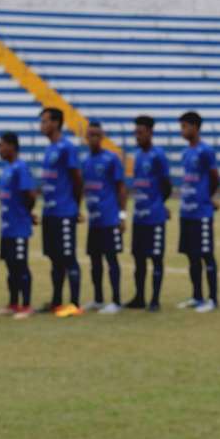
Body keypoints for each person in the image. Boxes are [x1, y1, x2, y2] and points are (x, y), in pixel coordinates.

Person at [37, 107, 84, 318]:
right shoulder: (49, 149)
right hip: (50, 212)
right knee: (55, 258)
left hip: (64, 211)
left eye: (45, 121)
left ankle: (74, 303)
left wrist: (75, 206)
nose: (42, 125)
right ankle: (57, 301)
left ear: (56, 123)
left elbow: (77, 178)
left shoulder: (67, 148)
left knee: (68, 257)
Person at [175, 111, 220, 313]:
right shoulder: (186, 152)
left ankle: (212, 299)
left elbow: (214, 177)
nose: (182, 131)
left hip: (201, 212)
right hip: (186, 212)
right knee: (192, 256)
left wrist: (206, 197)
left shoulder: (205, 151)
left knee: (206, 254)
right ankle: (197, 296)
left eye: (185, 126)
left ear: (195, 127)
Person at [127, 115, 172, 312]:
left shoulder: (158, 155)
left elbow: (167, 185)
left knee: (155, 258)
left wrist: (158, 204)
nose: (137, 136)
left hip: (154, 217)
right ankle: (139, 296)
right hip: (139, 216)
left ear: (150, 132)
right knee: (138, 258)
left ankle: (154, 299)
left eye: (141, 132)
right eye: (136, 132)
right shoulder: (137, 156)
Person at [82, 122, 127, 315]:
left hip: (109, 218)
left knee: (111, 259)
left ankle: (116, 300)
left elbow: (121, 188)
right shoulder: (85, 161)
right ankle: (99, 299)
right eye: (90, 135)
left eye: (96, 135)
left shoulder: (111, 159)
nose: (93, 139)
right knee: (94, 260)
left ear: (102, 137)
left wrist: (122, 215)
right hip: (94, 220)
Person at [0, 132, 36, 316]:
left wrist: (26, 213)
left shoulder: (21, 168)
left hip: (19, 226)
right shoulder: (7, 169)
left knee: (21, 265)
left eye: (2, 145)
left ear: (12, 147)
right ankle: (13, 303)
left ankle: (26, 305)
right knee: (10, 266)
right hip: (7, 227)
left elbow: (30, 195)